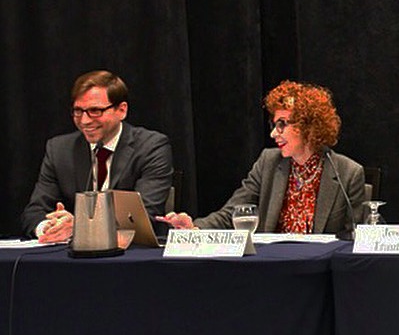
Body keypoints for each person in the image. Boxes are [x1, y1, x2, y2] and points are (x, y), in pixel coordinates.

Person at [159, 81, 365, 236]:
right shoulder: (269, 162)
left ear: (308, 126)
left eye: (282, 124)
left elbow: (352, 239)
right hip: (272, 269)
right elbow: (232, 213)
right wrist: (195, 227)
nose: (274, 134)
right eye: (274, 125)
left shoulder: (348, 173)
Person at [20, 70, 174, 242]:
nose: (84, 121)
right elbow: (34, 211)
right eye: (78, 111)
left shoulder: (151, 147)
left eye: (95, 111)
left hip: (130, 255)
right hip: (70, 257)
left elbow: (142, 215)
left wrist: (79, 226)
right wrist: (48, 228)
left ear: (121, 110)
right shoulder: (59, 150)